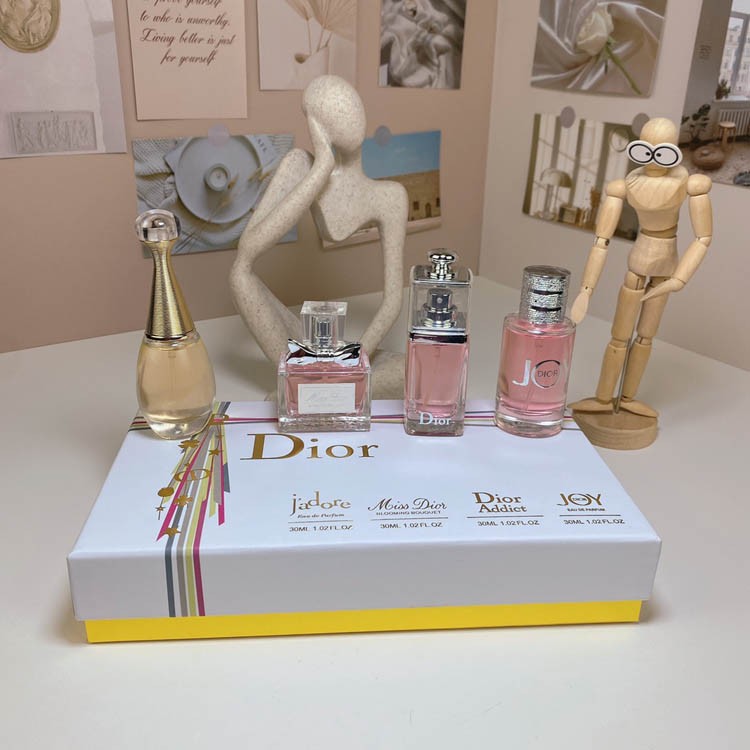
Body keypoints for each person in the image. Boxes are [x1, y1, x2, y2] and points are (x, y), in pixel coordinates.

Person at [230, 75, 408, 396]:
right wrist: (321, 168)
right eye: (335, 113)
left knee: (414, 370)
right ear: (316, 125)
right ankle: (303, 382)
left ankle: (312, 387)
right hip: (304, 340)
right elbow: (247, 252)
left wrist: (351, 364)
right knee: (239, 275)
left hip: (342, 351)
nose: (350, 118)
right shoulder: (301, 166)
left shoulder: (390, 196)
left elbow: (392, 302)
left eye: (352, 107)